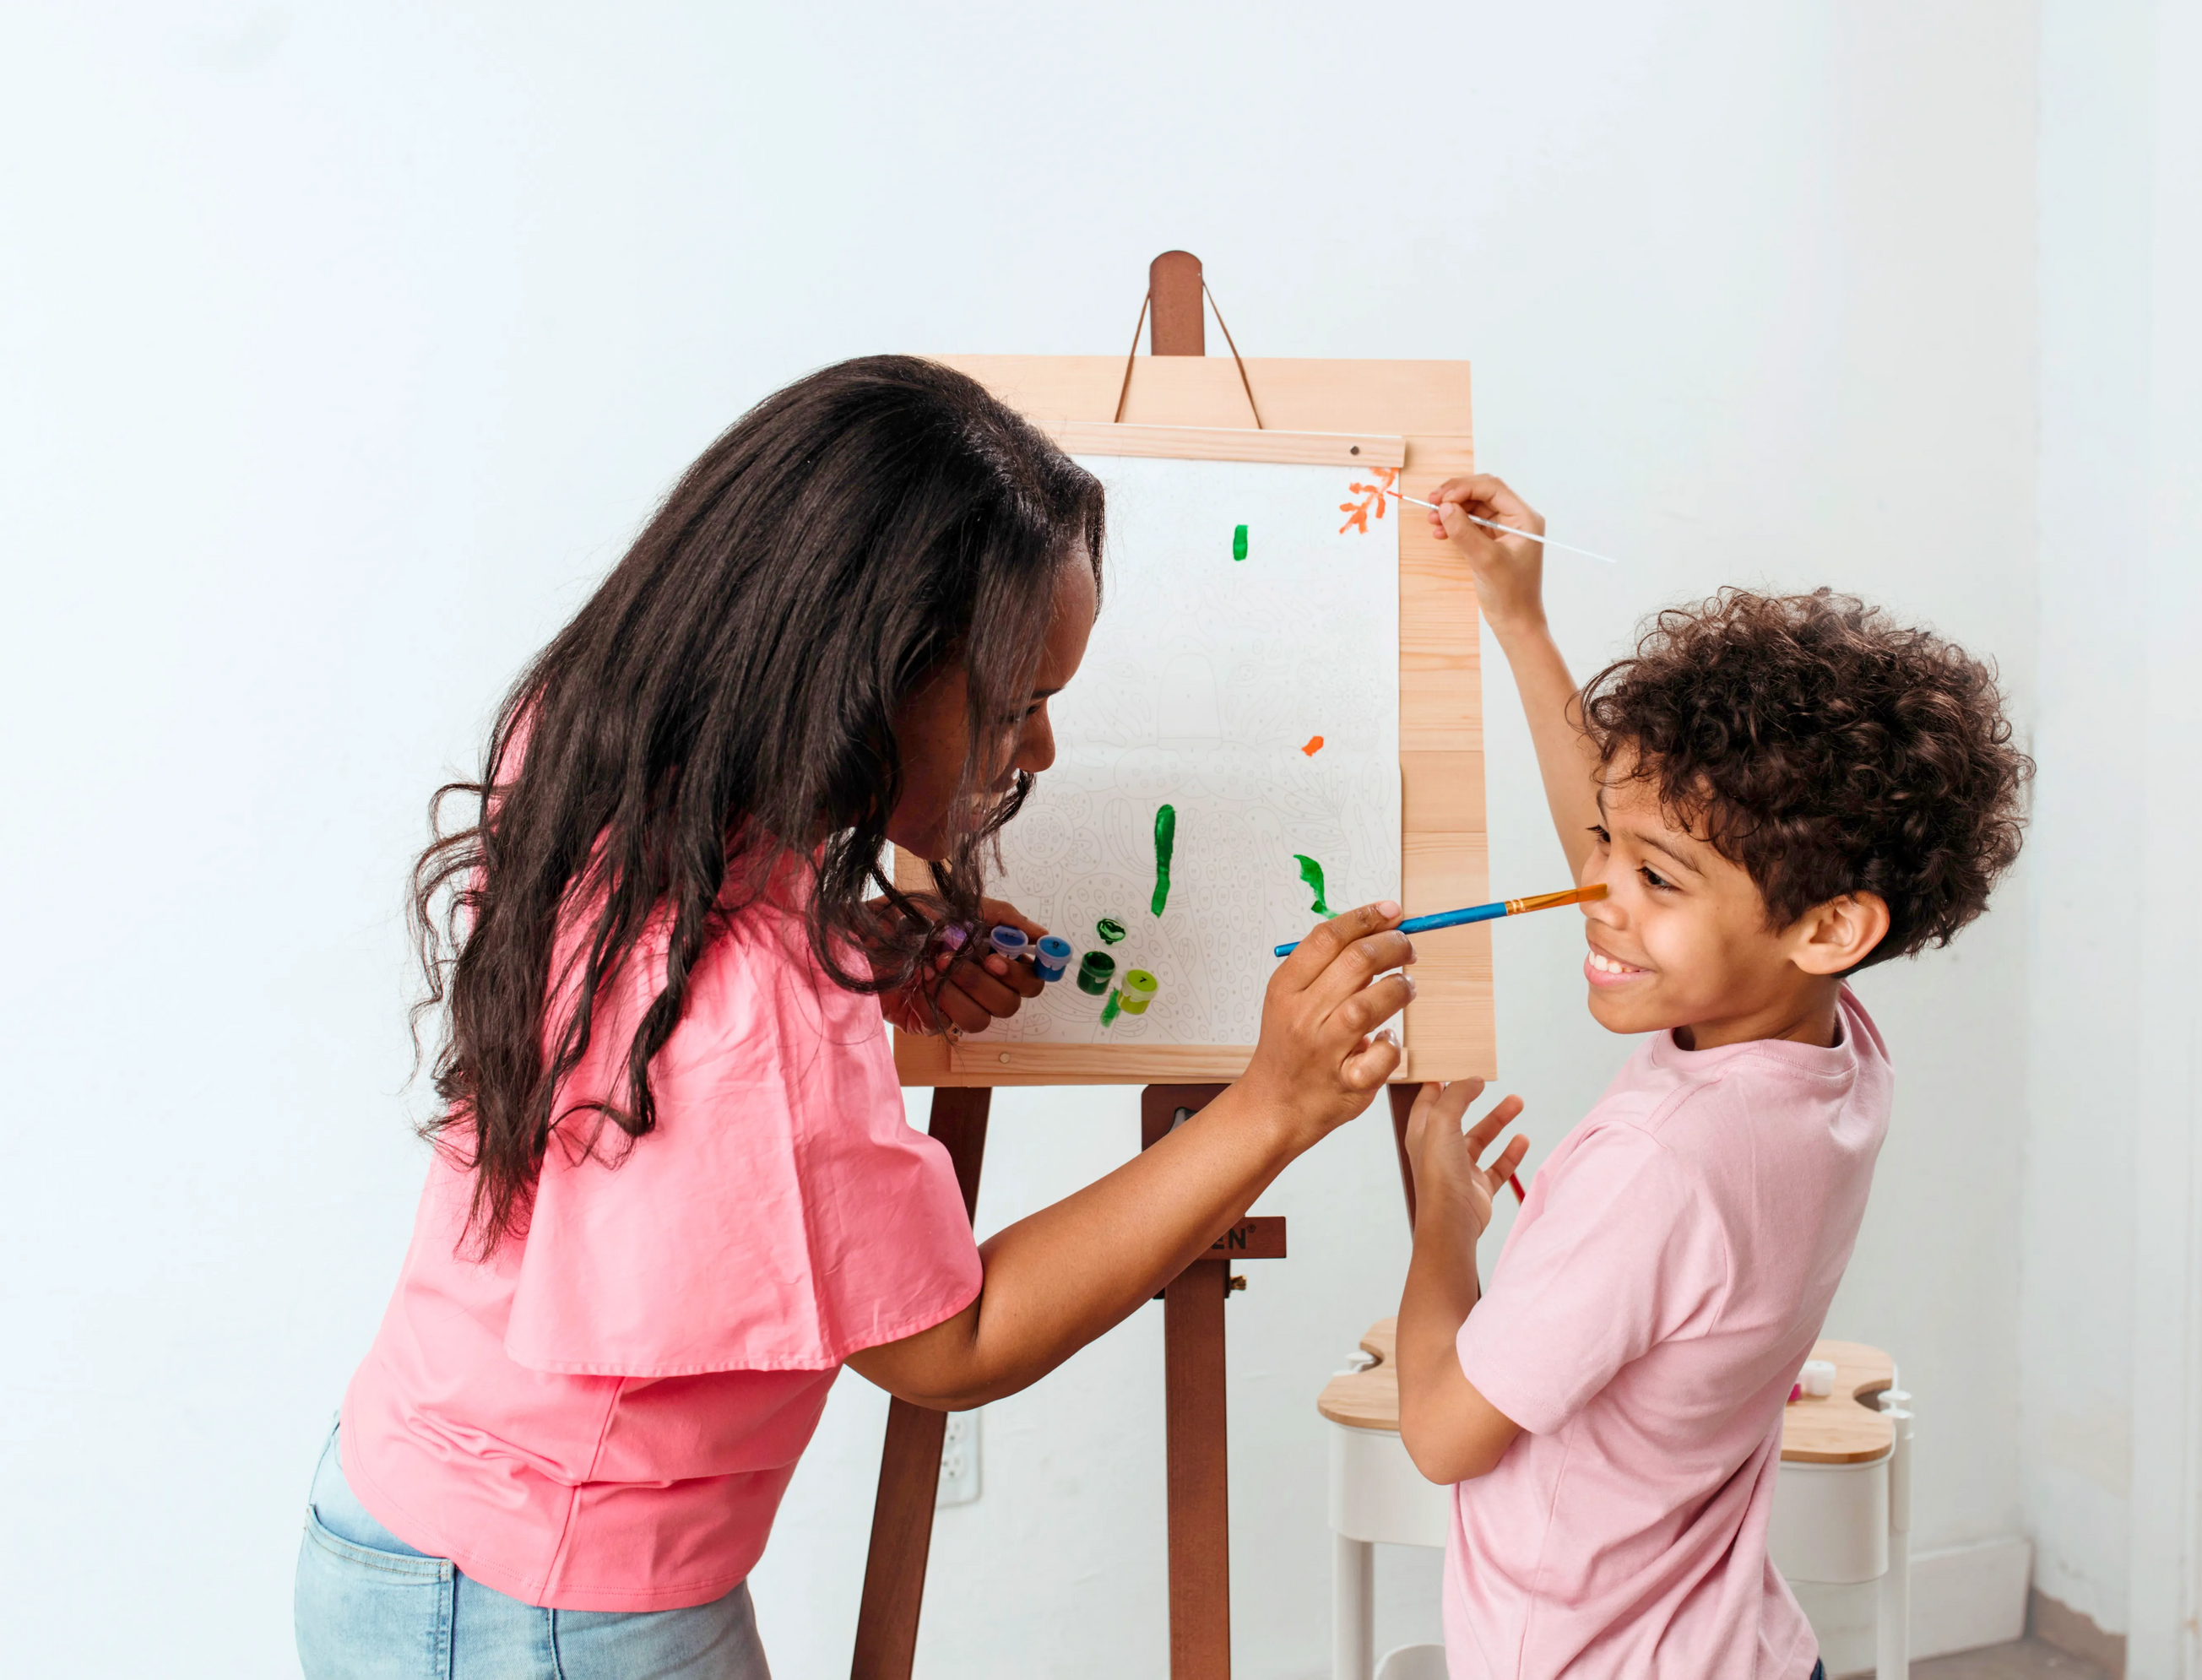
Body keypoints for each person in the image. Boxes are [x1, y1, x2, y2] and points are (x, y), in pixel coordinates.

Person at [294, 356, 1416, 1677]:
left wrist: (867, 940)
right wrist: (1269, 1105)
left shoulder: (607, 750)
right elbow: (955, 1341)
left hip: (398, 1511)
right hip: (553, 1608)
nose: (1042, 750)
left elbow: (660, 1029)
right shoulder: (752, 1004)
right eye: (1015, 705)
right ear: (868, 676)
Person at [1393, 476, 2031, 1679]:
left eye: (1656, 881)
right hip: (1736, 1646)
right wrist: (1521, 621)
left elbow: (1440, 1432)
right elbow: (1649, 830)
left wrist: (1441, 1230)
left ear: (1829, 925)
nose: (1597, 896)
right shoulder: (1832, 1052)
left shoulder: (1659, 1169)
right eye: (1602, 850)